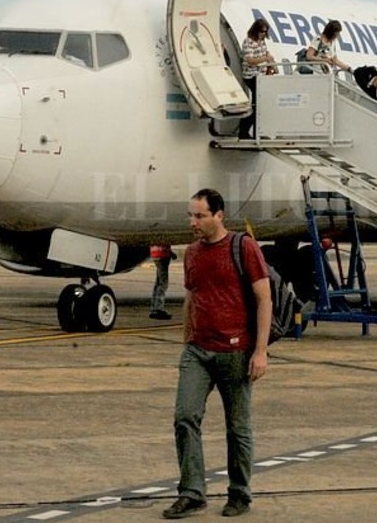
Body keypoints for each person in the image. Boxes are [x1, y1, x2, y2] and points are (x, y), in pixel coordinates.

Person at [166, 188, 271, 519]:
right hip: (197, 351)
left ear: (219, 216)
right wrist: (186, 341)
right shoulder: (192, 253)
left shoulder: (243, 247)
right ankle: (192, 491)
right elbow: (190, 297)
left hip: (235, 352)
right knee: (185, 416)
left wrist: (260, 351)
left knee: (237, 428)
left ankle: (239, 493)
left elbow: (263, 299)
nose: (192, 222)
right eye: (190, 215)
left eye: (199, 216)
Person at [238, 19, 276, 139]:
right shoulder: (248, 42)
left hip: (261, 76)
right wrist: (265, 59)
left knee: (260, 105)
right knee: (257, 105)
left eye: (265, 32)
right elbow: (250, 60)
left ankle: (256, 132)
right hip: (252, 75)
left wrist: (271, 65)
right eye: (261, 31)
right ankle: (244, 131)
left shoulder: (262, 42)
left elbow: (266, 55)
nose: (263, 34)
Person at [150, 244, 175, 320]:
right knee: (163, 283)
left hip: (156, 254)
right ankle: (158, 308)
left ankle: (154, 308)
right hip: (162, 255)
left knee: (158, 283)